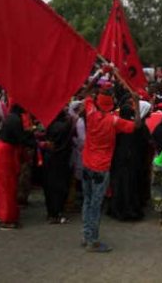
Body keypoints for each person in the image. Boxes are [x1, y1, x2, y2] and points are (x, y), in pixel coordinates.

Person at [80, 69, 140, 252]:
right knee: (96, 204)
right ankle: (92, 241)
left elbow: (85, 93)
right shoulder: (113, 120)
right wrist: (137, 104)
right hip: (101, 168)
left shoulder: (90, 111)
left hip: (86, 164)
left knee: (87, 201)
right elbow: (136, 125)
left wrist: (98, 75)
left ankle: (86, 235)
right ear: (111, 104)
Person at [0, 104, 33, 230]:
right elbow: (21, 138)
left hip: (3, 151)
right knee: (7, 186)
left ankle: (2, 214)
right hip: (5, 153)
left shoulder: (12, 117)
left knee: (3, 185)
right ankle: (6, 218)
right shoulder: (15, 119)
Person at [108, 102, 149, 221]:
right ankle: (129, 209)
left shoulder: (116, 125)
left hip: (119, 158)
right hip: (131, 159)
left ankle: (117, 208)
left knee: (119, 183)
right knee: (130, 184)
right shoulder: (134, 126)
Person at [42, 110, 73, 224]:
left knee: (49, 187)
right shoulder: (65, 127)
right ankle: (57, 212)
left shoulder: (50, 125)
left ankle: (51, 213)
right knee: (60, 187)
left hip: (49, 159)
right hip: (60, 161)